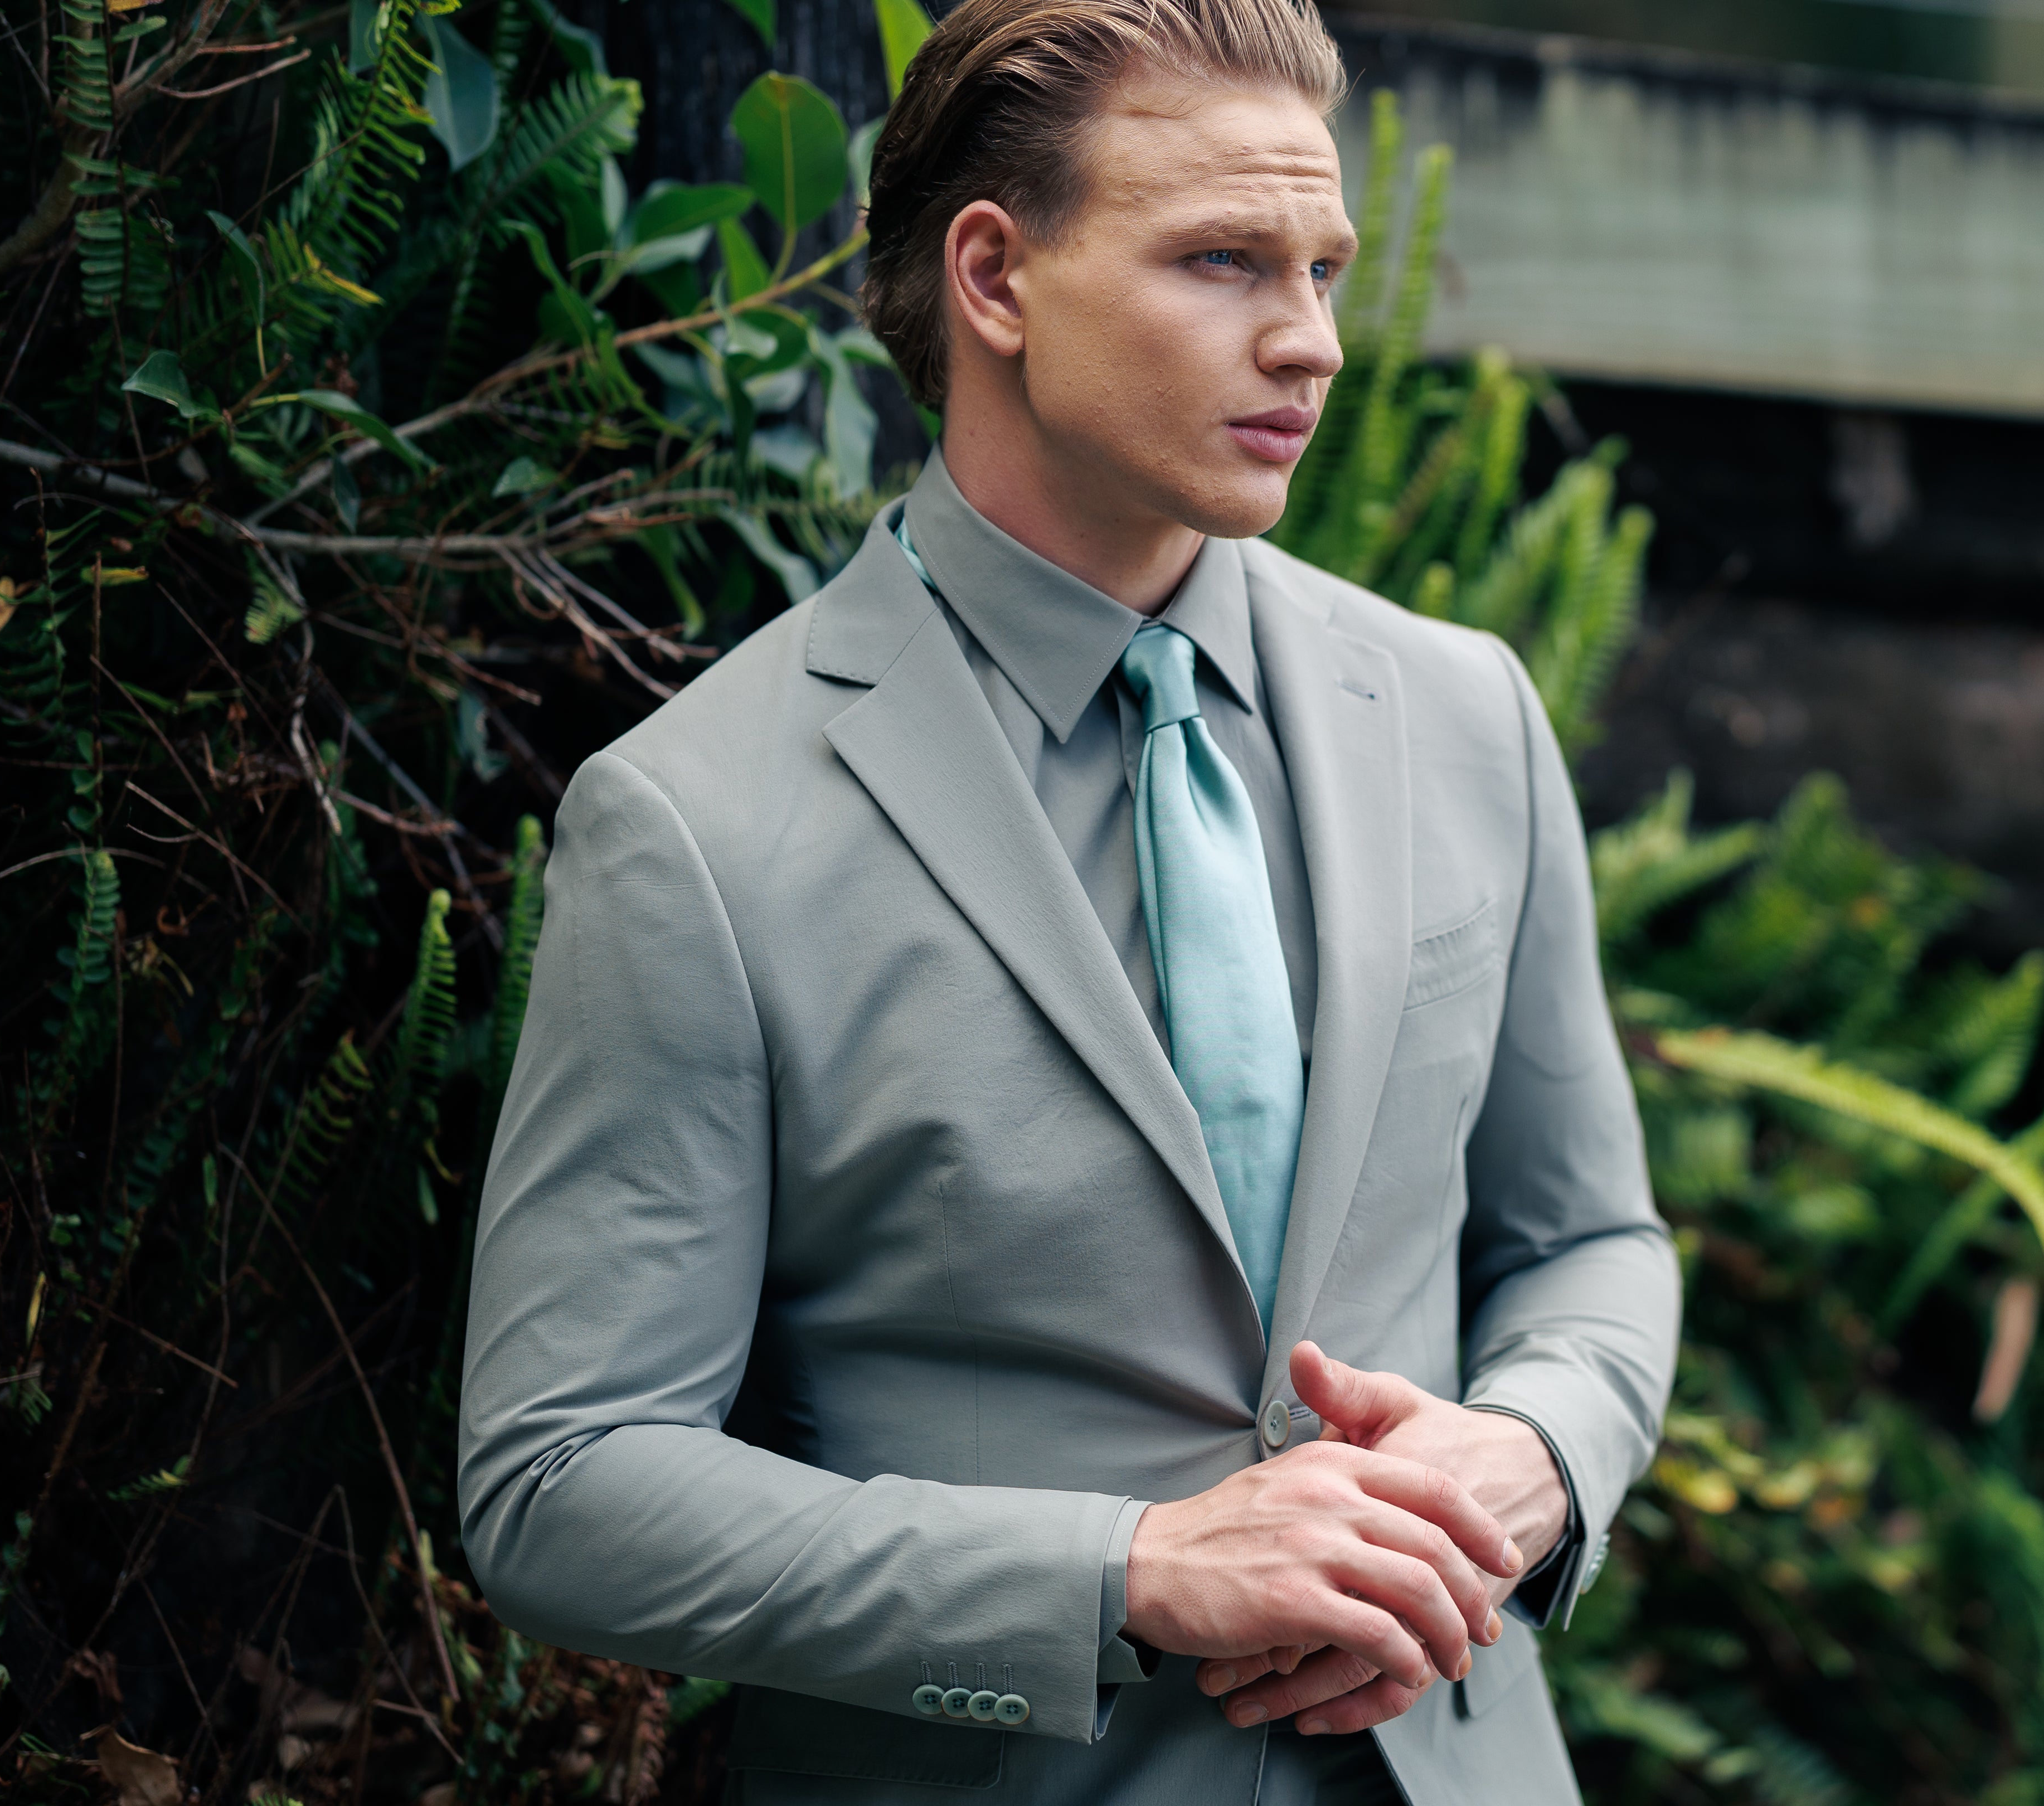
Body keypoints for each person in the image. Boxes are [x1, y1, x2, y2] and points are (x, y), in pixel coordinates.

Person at [450, 1, 1681, 1800]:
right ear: (995, 279)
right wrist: (1123, 1574)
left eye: (1325, 269)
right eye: (1223, 261)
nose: (1312, 339)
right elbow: (559, 1484)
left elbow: (1588, 1246)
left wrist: (1534, 1457)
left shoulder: (1464, 714)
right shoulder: (695, 824)